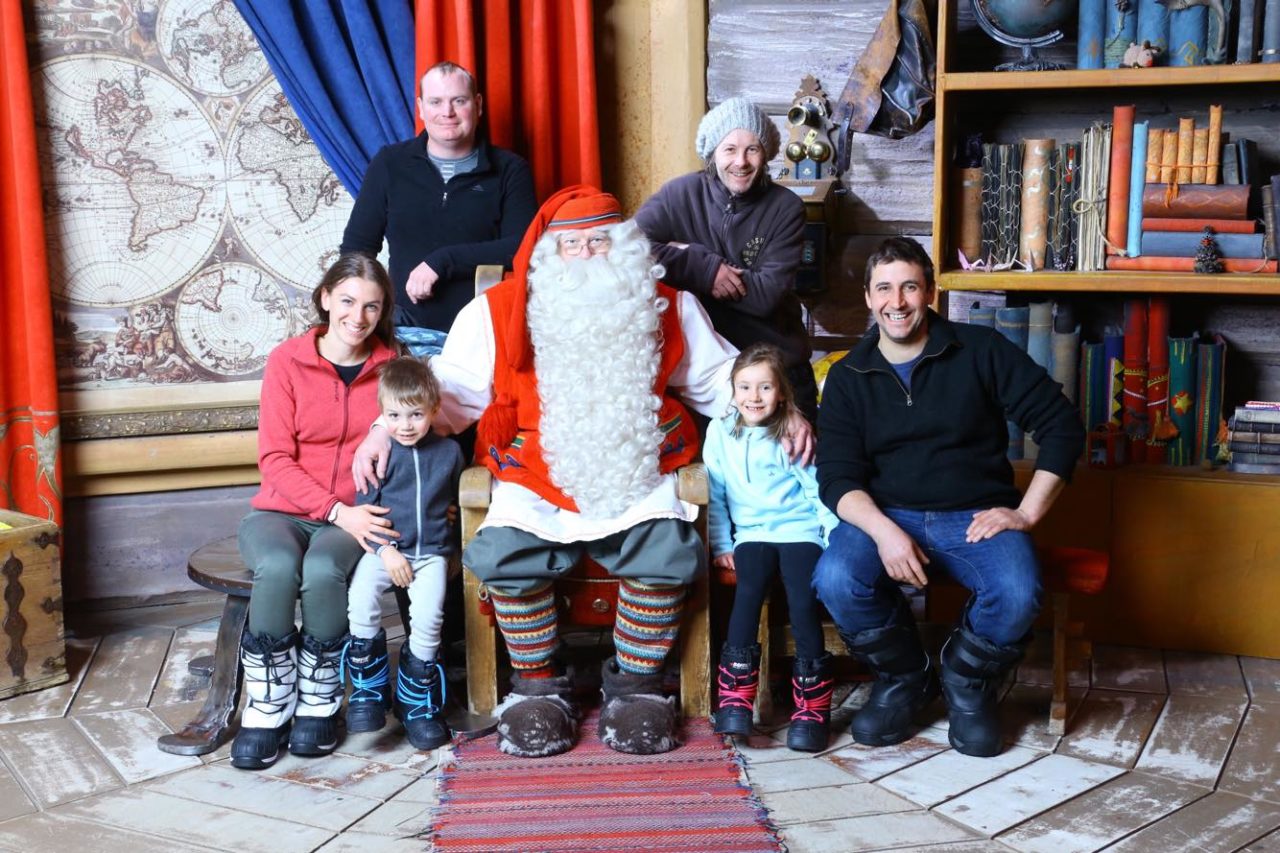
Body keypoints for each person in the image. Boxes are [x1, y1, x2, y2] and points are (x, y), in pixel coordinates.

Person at [354, 186, 813, 758]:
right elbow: (443, 395)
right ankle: (536, 689)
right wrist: (380, 427)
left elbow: (725, 381)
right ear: (550, 252)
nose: (590, 254)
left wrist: (782, 408)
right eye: (574, 244)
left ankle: (637, 689)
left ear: (624, 246)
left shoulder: (668, 306)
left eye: (602, 240)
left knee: (665, 545)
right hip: (535, 473)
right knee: (505, 549)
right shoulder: (496, 312)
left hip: (639, 464)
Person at [813, 237, 1085, 758]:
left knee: (1018, 590)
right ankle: (904, 678)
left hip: (974, 514)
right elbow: (837, 478)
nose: (898, 301)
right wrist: (886, 531)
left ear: (931, 292)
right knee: (836, 578)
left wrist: (1026, 512)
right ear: (869, 298)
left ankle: (965, 680)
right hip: (886, 514)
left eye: (910, 286)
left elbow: (1062, 426)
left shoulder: (979, 351)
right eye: (885, 288)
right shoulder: (847, 375)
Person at [233, 254, 401, 770]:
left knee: (325, 570)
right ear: (325, 298)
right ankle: (266, 705)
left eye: (372, 306)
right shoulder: (287, 360)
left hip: (358, 513)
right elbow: (275, 460)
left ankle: (319, 697)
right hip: (281, 512)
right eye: (347, 301)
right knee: (281, 566)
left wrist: (381, 428)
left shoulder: (393, 365)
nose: (358, 316)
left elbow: (421, 419)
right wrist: (334, 510)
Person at [634, 97, 816, 420]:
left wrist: (681, 261)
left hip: (777, 369)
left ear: (766, 153)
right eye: (729, 149)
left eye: (752, 149)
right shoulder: (682, 194)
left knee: (791, 468)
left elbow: (765, 296)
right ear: (713, 152)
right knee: (708, 470)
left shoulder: (785, 209)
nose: (741, 161)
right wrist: (701, 267)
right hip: (706, 375)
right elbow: (631, 247)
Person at [705, 343, 839, 752]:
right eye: (744, 387)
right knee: (748, 591)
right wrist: (721, 543)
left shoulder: (791, 433)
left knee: (802, 597)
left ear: (781, 393)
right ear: (732, 391)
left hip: (799, 531)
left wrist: (833, 538)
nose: (754, 397)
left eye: (765, 387)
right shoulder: (720, 433)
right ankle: (735, 700)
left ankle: (812, 709)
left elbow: (817, 492)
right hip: (751, 534)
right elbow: (716, 493)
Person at [340, 61, 537, 335]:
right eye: (436, 102)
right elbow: (357, 249)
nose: (447, 112)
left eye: (459, 100)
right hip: (402, 330)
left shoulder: (510, 169)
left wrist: (443, 261)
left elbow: (523, 248)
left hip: (483, 329)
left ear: (477, 105)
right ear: (421, 108)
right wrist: (370, 311)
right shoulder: (389, 164)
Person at [343, 357, 464, 750]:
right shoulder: (379, 454)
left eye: (415, 415)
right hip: (385, 552)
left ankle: (418, 699)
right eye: (394, 415)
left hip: (430, 555)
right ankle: (368, 686)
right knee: (361, 598)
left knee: (428, 618)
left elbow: (458, 505)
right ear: (382, 413)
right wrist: (386, 551)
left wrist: (453, 547)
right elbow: (366, 511)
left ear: (432, 411)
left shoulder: (448, 453)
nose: (405, 425)